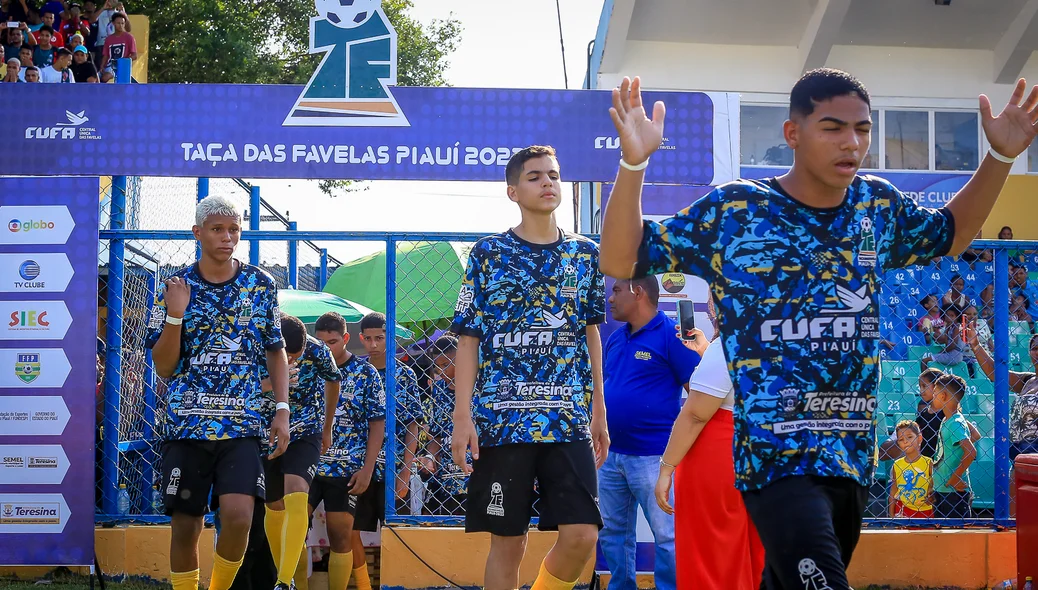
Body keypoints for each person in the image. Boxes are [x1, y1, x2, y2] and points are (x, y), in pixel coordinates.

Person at [599, 69, 1038, 587]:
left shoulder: (876, 206)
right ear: (793, 133)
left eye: (862, 129)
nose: (851, 142)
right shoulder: (737, 210)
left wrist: (1002, 157)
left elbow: (954, 233)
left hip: (849, 461)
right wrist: (633, 164)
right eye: (832, 127)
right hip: (775, 458)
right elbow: (621, 257)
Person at [451, 145, 609, 590]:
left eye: (554, 175)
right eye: (536, 176)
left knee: (582, 536)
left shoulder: (584, 254)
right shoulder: (488, 254)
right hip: (502, 421)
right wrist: (462, 417)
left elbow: (591, 333)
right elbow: (468, 338)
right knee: (508, 543)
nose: (548, 183)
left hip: (568, 418)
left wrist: (600, 409)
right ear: (513, 190)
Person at [144, 195, 290, 590]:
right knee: (185, 525)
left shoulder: (261, 284)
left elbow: (276, 351)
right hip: (186, 426)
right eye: (217, 229)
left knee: (240, 516)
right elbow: (164, 365)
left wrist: (282, 411)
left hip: (242, 424)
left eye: (234, 230)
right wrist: (176, 314)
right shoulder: (174, 285)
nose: (227, 237)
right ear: (197, 233)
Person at [599, 276, 701, 590]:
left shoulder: (672, 335)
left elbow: (697, 393)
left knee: (668, 536)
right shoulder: (616, 338)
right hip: (610, 456)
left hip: (655, 456)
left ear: (638, 292)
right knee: (613, 533)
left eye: (617, 291)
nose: (611, 299)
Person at [654, 319, 765, 589]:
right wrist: (707, 352)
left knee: (712, 555)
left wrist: (666, 467)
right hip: (763, 450)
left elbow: (695, 414)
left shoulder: (730, 342)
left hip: (719, 455)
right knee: (755, 552)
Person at [261, 313, 342, 590]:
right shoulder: (257, 346)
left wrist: (327, 426)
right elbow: (239, 386)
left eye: (297, 355)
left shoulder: (318, 350)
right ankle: (281, 574)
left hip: (306, 430)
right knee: (273, 505)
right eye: (287, 357)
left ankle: (284, 582)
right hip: (267, 432)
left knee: (296, 492)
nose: (292, 361)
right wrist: (270, 384)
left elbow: (334, 380)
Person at [310, 311, 385, 590]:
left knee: (340, 535)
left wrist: (367, 469)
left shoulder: (366, 374)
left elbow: (377, 423)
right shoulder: (306, 368)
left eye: (331, 342)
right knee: (289, 529)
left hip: (346, 468)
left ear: (345, 339)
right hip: (307, 464)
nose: (324, 349)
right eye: (318, 343)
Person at [355, 311, 424, 589]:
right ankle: (363, 585)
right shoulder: (357, 371)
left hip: (394, 465)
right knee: (349, 530)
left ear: (389, 338)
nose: (373, 344)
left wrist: (406, 471)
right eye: (368, 338)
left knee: (397, 533)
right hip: (359, 464)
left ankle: (395, 583)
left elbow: (412, 425)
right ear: (360, 339)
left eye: (379, 338)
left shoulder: (404, 375)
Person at [967, 329, 1038, 517]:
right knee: (1016, 516)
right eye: (1035, 348)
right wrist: (975, 345)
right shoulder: (1027, 381)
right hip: (1021, 456)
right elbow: (995, 374)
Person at [425, 335, 468, 515]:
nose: (441, 371)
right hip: (448, 478)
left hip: (476, 477)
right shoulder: (439, 390)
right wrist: (429, 457)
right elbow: (436, 433)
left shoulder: (478, 388)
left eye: (446, 365)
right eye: (437, 366)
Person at [930, 373, 976, 519]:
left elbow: (971, 452)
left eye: (935, 393)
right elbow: (975, 434)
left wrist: (955, 478)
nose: (933, 397)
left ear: (943, 396)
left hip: (953, 492)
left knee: (956, 534)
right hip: (942, 488)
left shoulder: (955, 423)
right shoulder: (949, 419)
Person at [888, 420, 934, 518]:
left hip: (925, 511)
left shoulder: (928, 463)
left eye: (909, 437)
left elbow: (933, 486)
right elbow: (893, 491)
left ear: (920, 438)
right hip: (903, 510)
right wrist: (891, 515)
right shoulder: (897, 464)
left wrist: (931, 495)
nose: (905, 441)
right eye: (901, 439)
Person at [99, 9, 132, 81]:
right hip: (109, 65)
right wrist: (102, 66)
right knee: (96, 77)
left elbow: (134, 55)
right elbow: (106, 55)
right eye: (118, 23)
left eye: (122, 23)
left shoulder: (129, 37)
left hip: (122, 66)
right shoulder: (109, 39)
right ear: (113, 23)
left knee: (105, 78)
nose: (120, 25)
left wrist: (124, 63)